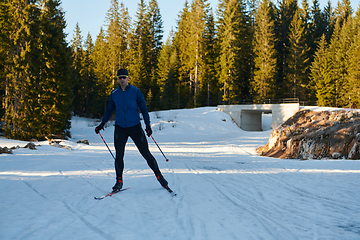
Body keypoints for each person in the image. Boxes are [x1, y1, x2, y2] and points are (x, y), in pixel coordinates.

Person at [95, 68, 168, 192]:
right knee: (119, 156)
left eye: (124, 77)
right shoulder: (114, 93)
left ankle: (159, 176)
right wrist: (102, 124)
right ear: (117, 79)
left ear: (128, 78)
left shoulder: (136, 92)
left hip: (135, 127)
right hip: (120, 128)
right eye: (120, 77)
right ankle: (119, 181)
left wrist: (148, 125)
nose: (122, 79)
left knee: (146, 153)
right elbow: (109, 110)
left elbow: (144, 109)